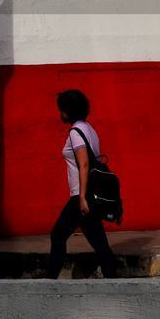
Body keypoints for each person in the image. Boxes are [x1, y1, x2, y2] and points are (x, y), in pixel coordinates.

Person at [46, 88, 118, 279]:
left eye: (61, 109)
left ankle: (48, 281)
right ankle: (113, 278)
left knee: (58, 235)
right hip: (88, 194)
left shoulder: (75, 132)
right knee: (99, 242)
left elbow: (84, 164)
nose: (60, 114)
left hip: (82, 195)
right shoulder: (89, 129)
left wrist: (82, 197)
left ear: (68, 110)